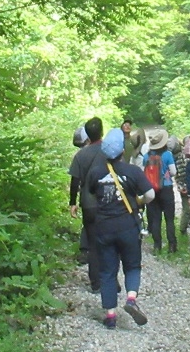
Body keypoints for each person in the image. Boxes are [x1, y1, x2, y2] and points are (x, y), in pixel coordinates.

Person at [86, 127, 155, 329]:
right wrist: (139, 200)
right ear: (122, 150)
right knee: (132, 265)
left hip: (104, 227)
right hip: (127, 225)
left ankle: (110, 316)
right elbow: (150, 194)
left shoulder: (96, 172)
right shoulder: (133, 171)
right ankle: (131, 299)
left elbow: (91, 191)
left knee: (107, 271)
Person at [68, 117, 107, 292]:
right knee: (109, 241)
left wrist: (72, 203)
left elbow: (75, 180)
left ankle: (96, 283)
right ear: (102, 131)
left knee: (92, 243)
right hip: (108, 202)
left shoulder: (80, 155)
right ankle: (110, 278)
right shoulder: (110, 151)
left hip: (88, 203)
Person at [141, 128, 178, 253]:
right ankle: (172, 245)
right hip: (166, 188)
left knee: (156, 219)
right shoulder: (167, 155)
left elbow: (142, 172)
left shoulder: (146, 156)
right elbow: (173, 172)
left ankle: (157, 246)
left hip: (152, 190)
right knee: (169, 219)